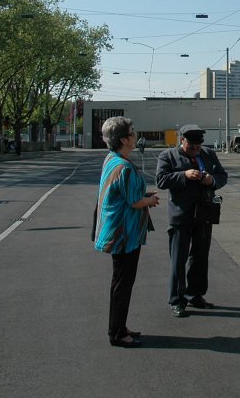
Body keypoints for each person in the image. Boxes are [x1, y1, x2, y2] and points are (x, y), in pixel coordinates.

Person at [93, 116, 159, 348]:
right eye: (132, 132)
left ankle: (119, 327)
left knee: (119, 281)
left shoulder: (112, 159)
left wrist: (144, 197)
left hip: (114, 230)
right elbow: (134, 202)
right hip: (124, 233)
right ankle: (117, 333)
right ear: (124, 139)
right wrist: (150, 200)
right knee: (123, 283)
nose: (135, 135)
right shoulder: (125, 167)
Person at [156, 124, 228, 318]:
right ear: (182, 141)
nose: (196, 150)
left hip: (204, 214)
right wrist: (184, 175)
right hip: (181, 214)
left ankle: (195, 295)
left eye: (198, 146)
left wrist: (212, 180)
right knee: (178, 259)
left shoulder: (208, 154)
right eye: (191, 147)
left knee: (200, 257)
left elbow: (223, 176)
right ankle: (177, 300)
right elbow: (161, 180)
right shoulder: (167, 156)